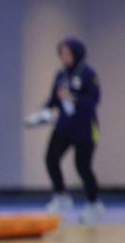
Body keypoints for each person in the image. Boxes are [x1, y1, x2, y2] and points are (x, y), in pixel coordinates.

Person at [25, 38, 102, 223]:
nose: (64, 57)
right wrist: (39, 116)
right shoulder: (60, 75)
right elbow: (53, 101)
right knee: (51, 158)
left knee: (82, 166)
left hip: (84, 127)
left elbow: (93, 101)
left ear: (77, 53)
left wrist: (73, 98)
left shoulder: (88, 74)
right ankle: (61, 196)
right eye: (62, 53)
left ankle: (94, 204)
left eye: (68, 53)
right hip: (64, 126)